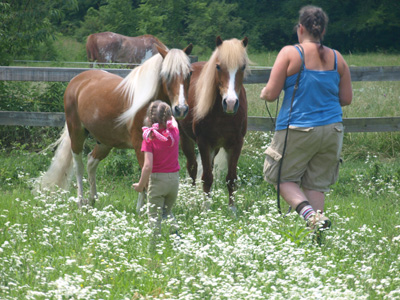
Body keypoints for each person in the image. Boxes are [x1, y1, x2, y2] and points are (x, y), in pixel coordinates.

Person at [260, 5, 353, 231]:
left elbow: (271, 95)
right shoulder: (337, 58)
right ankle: (316, 233)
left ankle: (310, 215)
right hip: (332, 130)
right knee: (316, 184)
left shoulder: (290, 53)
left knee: (279, 177)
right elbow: (346, 98)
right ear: (322, 30)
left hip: (298, 128)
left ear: (301, 28)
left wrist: (263, 92)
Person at [132, 100, 180, 247]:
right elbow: (174, 121)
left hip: (157, 182)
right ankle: (178, 240)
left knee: (154, 218)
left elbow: (147, 166)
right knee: (166, 212)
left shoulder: (149, 138)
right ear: (168, 118)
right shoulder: (174, 132)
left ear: (149, 119)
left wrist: (140, 186)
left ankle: (153, 249)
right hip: (174, 181)